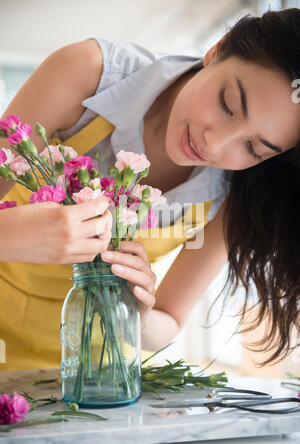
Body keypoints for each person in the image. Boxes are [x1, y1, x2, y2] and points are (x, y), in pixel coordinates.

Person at [0, 8, 299, 370]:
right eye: (227, 105)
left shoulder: (239, 190)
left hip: (95, 371)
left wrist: (139, 311)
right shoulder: (87, 71)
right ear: (217, 49)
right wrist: (9, 235)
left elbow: (169, 319)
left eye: (253, 148)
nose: (215, 144)